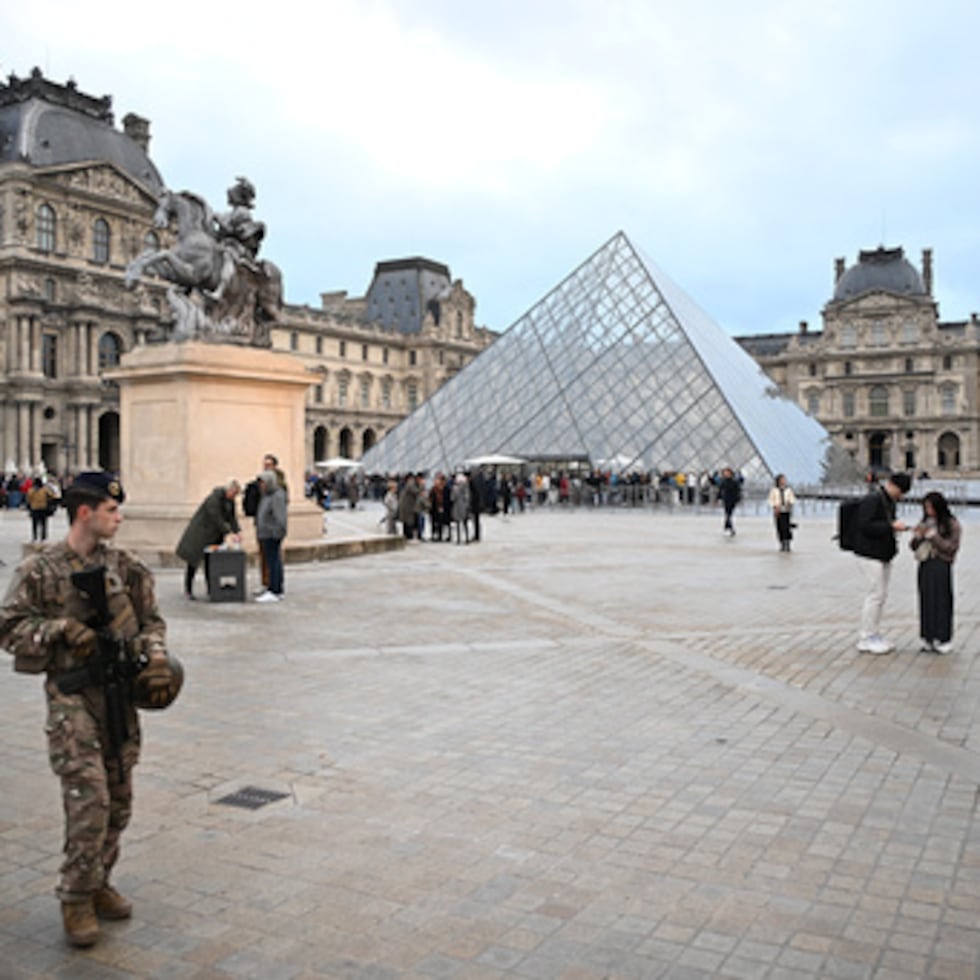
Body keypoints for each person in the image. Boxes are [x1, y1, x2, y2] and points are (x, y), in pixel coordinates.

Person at [0, 471, 175, 948]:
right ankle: (75, 898)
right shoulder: (41, 570)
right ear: (85, 512)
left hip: (119, 698)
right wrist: (57, 630)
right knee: (90, 801)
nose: (119, 518)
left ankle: (99, 880)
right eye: (111, 510)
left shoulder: (127, 567)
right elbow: (9, 627)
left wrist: (156, 657)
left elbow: (152, 621)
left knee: (119, 801)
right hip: (71, 697)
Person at [853, 471, 911, 654]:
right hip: (869, 553)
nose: (901, 497)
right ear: (892, 485)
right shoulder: (873, 499)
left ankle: (874, 633)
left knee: (881, 595)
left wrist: (892, 527)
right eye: (901, 492)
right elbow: (864, 525)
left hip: (882, 553)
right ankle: (866, 636)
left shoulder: (888, 501)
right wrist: (891, 526)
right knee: (875, 595)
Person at [909, 491, 961, 654]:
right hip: (925, 563)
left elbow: (951, 548)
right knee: (926, 600)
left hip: (941, 564)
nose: (928, 511)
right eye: (926, 508)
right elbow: (913, 546)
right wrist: (917, 536)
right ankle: (928, 636)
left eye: (931, 507)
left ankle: (943, 637)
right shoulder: (925, 521)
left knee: (942, 600)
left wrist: (934, 537)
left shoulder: (951, 524)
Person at [175, 480, 241, 599]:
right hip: (200, 534)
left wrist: (237, 531)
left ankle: (212, 589)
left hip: (214, 536)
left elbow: (232, 518)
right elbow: (216, 517)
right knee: (193, 562)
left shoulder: (230, 501)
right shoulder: (213, 499)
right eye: (234, 493)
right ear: (229, 490)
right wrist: (228, 531)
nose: (234, 496)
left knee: (212, 563)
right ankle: (188, 589)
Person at [255, 469, 287, 602]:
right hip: (265, 533)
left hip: (272, 534)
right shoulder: (266, 495)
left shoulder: (277, 496)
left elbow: (280, 517)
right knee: (271, 561)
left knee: (274, 562)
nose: (261, 485)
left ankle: (275, 589)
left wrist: (276, 531)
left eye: (263, 482)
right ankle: (273, 588)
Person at [768, 474, 797, 552]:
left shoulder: (788, 490)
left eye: (784, 479)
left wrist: (790, 503)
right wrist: (775, 506)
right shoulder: (774, 490)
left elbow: (792, 498)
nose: (783, 481)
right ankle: (782, 543)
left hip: (786, 510)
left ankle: (787, 542)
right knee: (780, 527)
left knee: (787, 527)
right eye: (782, 479)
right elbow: (771, 500)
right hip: (778, 511)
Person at [27, 475, 58, 542]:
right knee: (43, 523)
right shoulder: (44, 490)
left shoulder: (31, 490)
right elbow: (53, 496)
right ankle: (43, 536)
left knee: (34, 524)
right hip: (43, 508)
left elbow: (28, 499)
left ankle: (34, 536)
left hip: (34, 508)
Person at [718, 467, 741, 536]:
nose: (726, 474)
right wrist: (719, 498)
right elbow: (720, 490)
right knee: (728, 514)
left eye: (727, 473)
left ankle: (727, 527)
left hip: (732, 500)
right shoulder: (723, 481)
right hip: (726, 499)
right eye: (725, 473)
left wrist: (737, 499)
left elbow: (738, 491)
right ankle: (729, 528)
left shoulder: (734, 481)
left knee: (728, 514)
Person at [452, 473, 470, 544]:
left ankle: (461, 539)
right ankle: (465, 538)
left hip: (459, 507)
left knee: (459, 523)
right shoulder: (466, 487)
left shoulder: (456, 488)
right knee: (463, 523)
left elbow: (452, 498)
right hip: (461, 507)